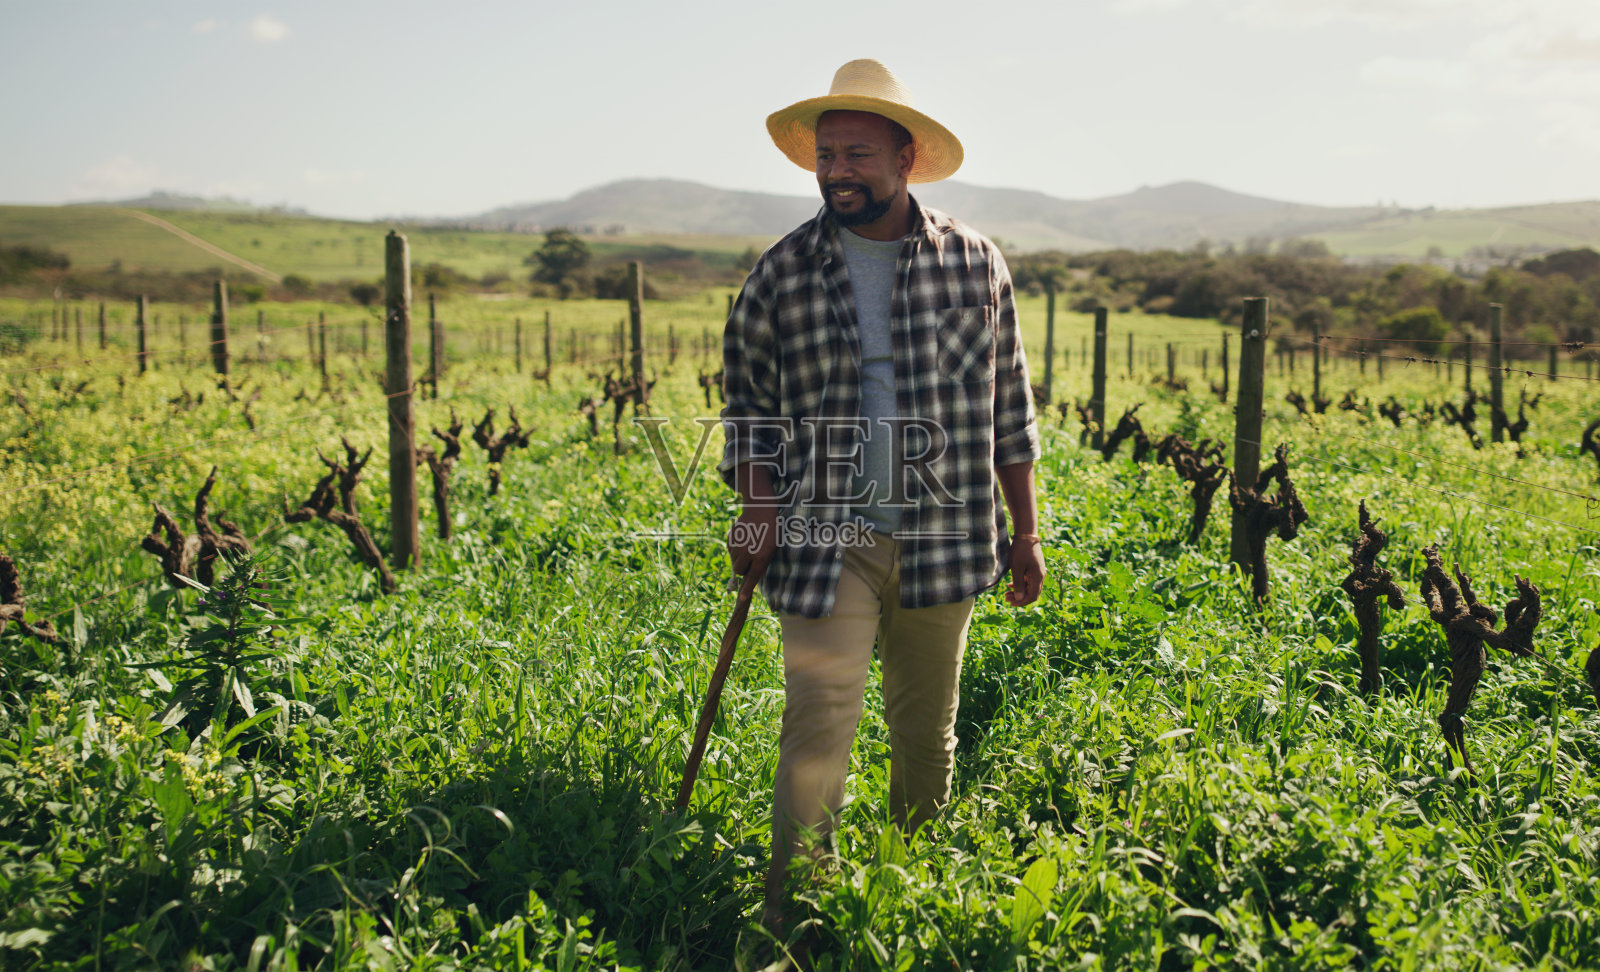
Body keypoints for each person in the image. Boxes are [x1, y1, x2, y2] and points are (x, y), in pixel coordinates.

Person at [718, 58, 1045, 937]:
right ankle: (796, 911)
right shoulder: (783, 271)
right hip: (827, 534)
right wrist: (755, 508)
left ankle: (908, 896)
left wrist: (1028, 532)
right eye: (827, 155)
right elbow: (747, 405)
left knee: (924, 732)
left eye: (857, 153)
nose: (837, 172)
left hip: (947, 532)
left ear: (905, 158)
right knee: (818, 722)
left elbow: (1008, 404)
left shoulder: (973, 262)